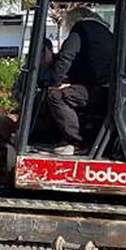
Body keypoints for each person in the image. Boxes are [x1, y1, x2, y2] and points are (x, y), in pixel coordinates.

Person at [45, 16, 114, 154]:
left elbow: (66, 56)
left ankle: (77, 142)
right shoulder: (107, 33)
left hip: (95, 89)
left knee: (56, 96)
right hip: (108, 88)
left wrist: (55, 82)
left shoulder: (81, 30)